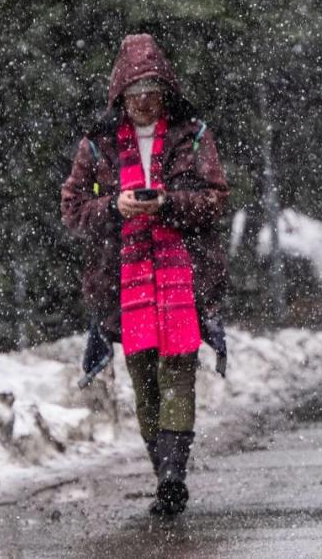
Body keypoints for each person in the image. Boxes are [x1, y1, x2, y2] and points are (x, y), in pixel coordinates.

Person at [61, 33, 229, 516]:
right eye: (134, 94)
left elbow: (215, 199)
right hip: (122, 281)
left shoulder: (192, 135)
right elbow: (73, 209)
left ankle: (172, 478)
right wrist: (115, 206)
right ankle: (166, 474)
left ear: (166, 92)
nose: (143, 102)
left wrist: (169, 205)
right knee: (144, 382)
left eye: (152, 92)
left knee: (178, 374)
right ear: (120, 95)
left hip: (183, 279)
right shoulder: (96, 146)